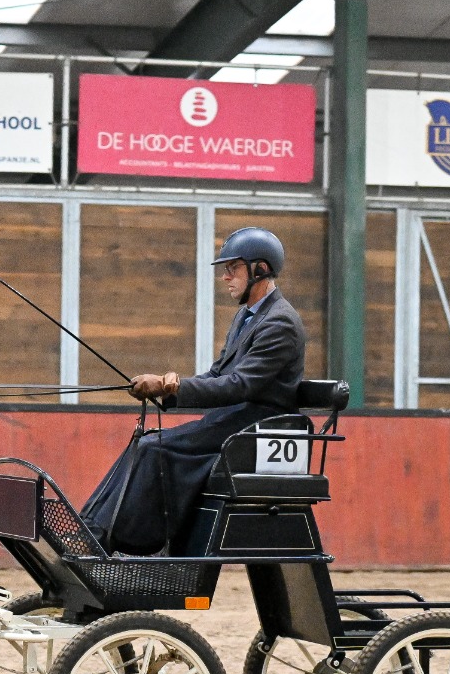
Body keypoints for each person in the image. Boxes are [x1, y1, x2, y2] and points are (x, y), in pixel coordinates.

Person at [81, 227, 307, 554]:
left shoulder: (280, 323)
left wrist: (171, 385)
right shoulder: (247, 317)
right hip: (232, 421)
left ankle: (106, 540)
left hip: (251, 429)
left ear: (260, 269)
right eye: (225, 270)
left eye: (233, 268)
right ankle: (91, 529)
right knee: (143, 443)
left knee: (152, 449)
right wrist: (166, 389)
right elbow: (217, 374)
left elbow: (241, 385)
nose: (225, 277)